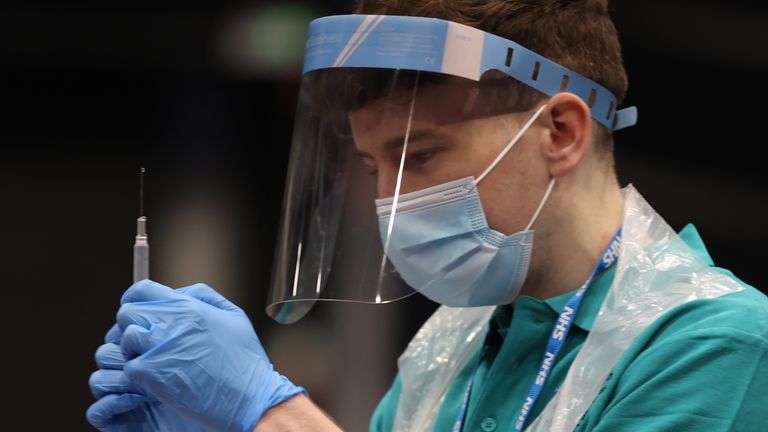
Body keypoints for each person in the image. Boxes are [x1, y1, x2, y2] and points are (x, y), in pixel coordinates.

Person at [87, 1, 768, 431]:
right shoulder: (455, 348)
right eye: (372, 166)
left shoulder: (716, 344)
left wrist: (270, 414)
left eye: (421, 155)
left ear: (560, 131)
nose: (390, 202)